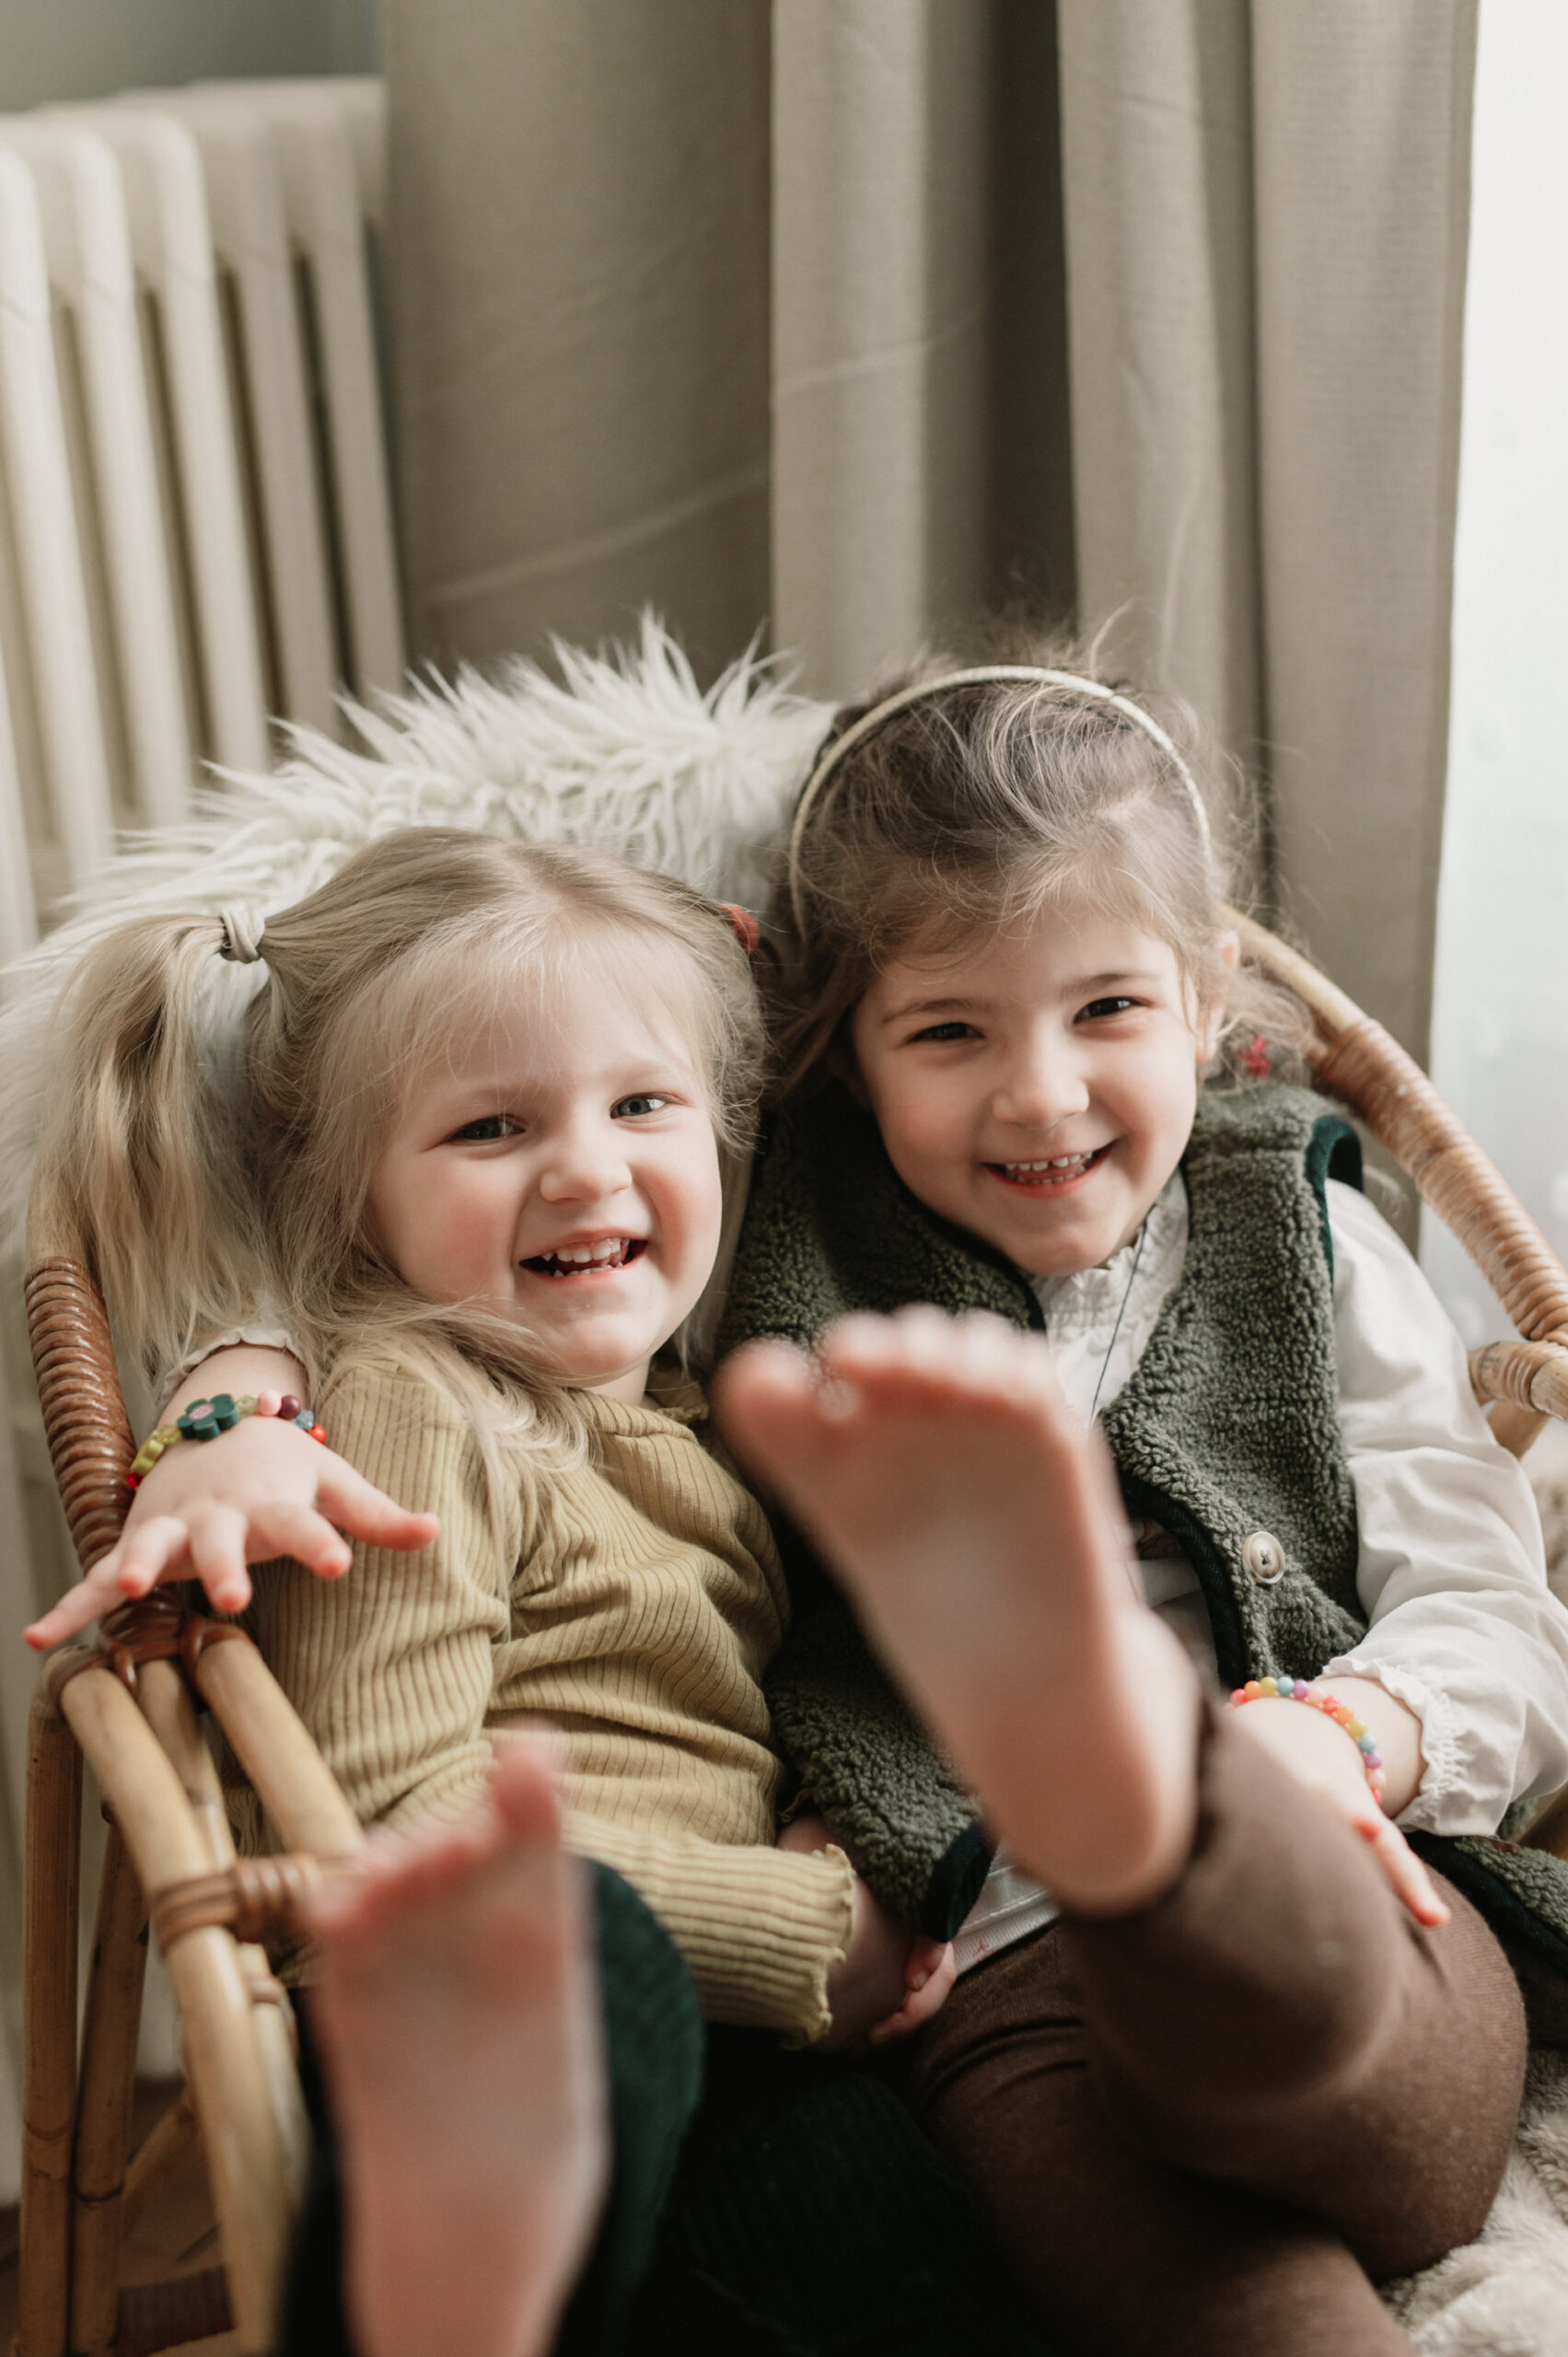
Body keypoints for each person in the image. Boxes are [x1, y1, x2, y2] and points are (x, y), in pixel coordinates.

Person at [25, 828, 1048, 2357]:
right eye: (493, 1127)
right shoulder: (416, 1404)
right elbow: (383, 1831)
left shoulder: (707, 1423)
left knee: (915, 2272)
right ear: (352, 1194)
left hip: (740, 2057)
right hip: (499, 2014)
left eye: (646, 1105)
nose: (587, 1166)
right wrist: (803, 1924)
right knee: (566, 1964)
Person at [694, 651, 1568, 2354]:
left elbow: (1502, 1616)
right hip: (1001, 1982)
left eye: (1106, 1009)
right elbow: (496, 1170)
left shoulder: (1300, 1235)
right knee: (1217, 2309)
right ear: (841, 1051)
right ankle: (1114, 1792)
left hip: (1343, 1893)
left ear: (1207, 986)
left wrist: (1352, 1741)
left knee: (1295, 1986)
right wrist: (245, 1387)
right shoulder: (773, 1236)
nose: (1041, 1092)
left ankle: (1157, 1803)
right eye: (949, 1029)